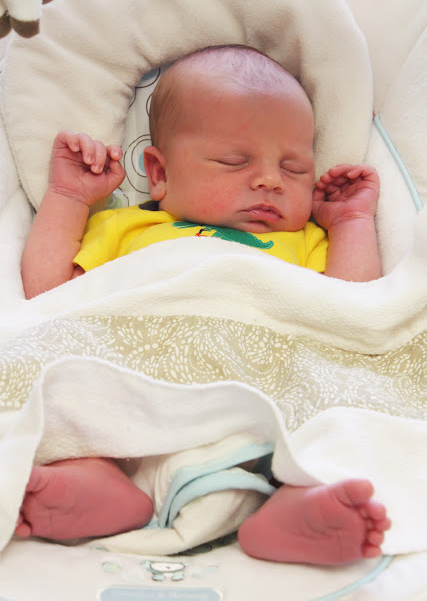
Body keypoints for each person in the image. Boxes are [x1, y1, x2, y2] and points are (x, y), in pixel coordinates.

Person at [18, 45, 389, 564]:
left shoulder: (305, 240)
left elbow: (351, 307)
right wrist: (68, 198)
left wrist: (350, 222)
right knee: (68, 395)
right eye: (234, 162)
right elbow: (50, 292)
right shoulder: (128, 227)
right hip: (132, 379)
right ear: (159, 173)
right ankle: (97, 483)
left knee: (330, 414)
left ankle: (290, 504)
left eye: (294, 168)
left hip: (257, 386)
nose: (270, 180)